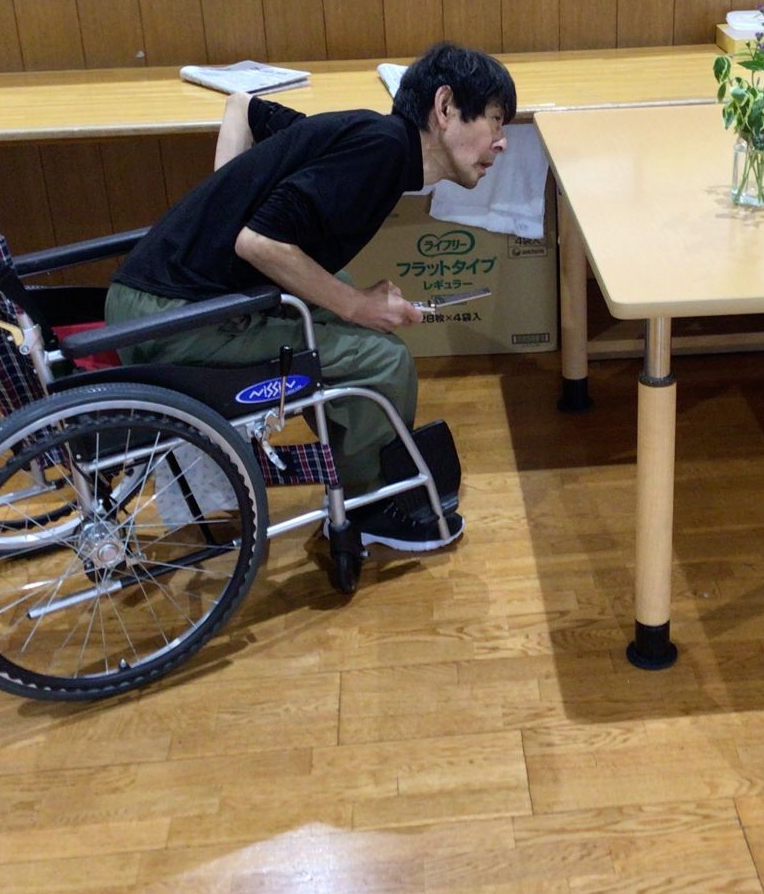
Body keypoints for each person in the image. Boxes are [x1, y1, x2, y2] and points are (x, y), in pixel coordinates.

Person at [104, 42, 515, 550]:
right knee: (381, 360)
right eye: (495, 121)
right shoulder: (380, 151)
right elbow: (258, 243)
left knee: (341, 292)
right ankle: (367, 508)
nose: (502, 143)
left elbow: (242, 106)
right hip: (171, 320)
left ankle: (355, 468)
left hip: (156, 301)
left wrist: (230, 200)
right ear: (445, 107)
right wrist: (357, 305)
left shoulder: (368, 136)